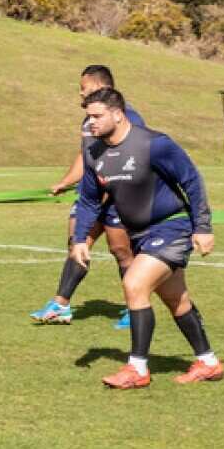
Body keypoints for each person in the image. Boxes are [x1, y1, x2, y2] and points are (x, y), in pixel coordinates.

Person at [72, 88, 220, 388]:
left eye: (97, 116)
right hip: (139, 234)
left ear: (118, 114)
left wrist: (202, 227)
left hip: (171, 226)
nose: (91, 123)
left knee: (134, 284)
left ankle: (137, 368)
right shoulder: (93, 153)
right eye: (88, 117)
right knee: (176, 300)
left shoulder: (153, 144)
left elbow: (191, 180)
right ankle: (209, 362)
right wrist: (79, 239)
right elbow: (88, 200)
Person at [30, 65, 145, 329]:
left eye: (83, 88)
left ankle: (133, 307)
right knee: (77, 244)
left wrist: (114, 189)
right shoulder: (88, 122)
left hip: (118, 197)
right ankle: (61, 304)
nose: (80, 93)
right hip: (91, 197)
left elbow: (135, 159)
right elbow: (86, 156)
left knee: (121, 251)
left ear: (100, 86)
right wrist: (65, 182)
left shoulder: (128, 118)